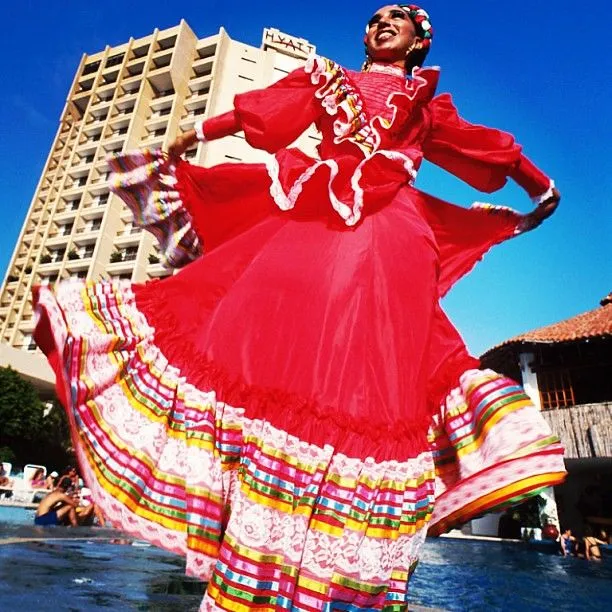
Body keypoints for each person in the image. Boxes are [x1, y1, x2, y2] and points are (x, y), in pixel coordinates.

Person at [33, 4, 567, 608]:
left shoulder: (426, 104)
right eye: (375, 17)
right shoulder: (325, 78)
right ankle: (250, 553)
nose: (382, 21)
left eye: (399, 18)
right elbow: (263, 111)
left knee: (376, 376)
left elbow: (484, 151)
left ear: (420, 40)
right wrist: (196, 133)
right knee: (256, 336)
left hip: (391, 236)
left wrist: (540, 186)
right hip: (315, 216)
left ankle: (348, 561)